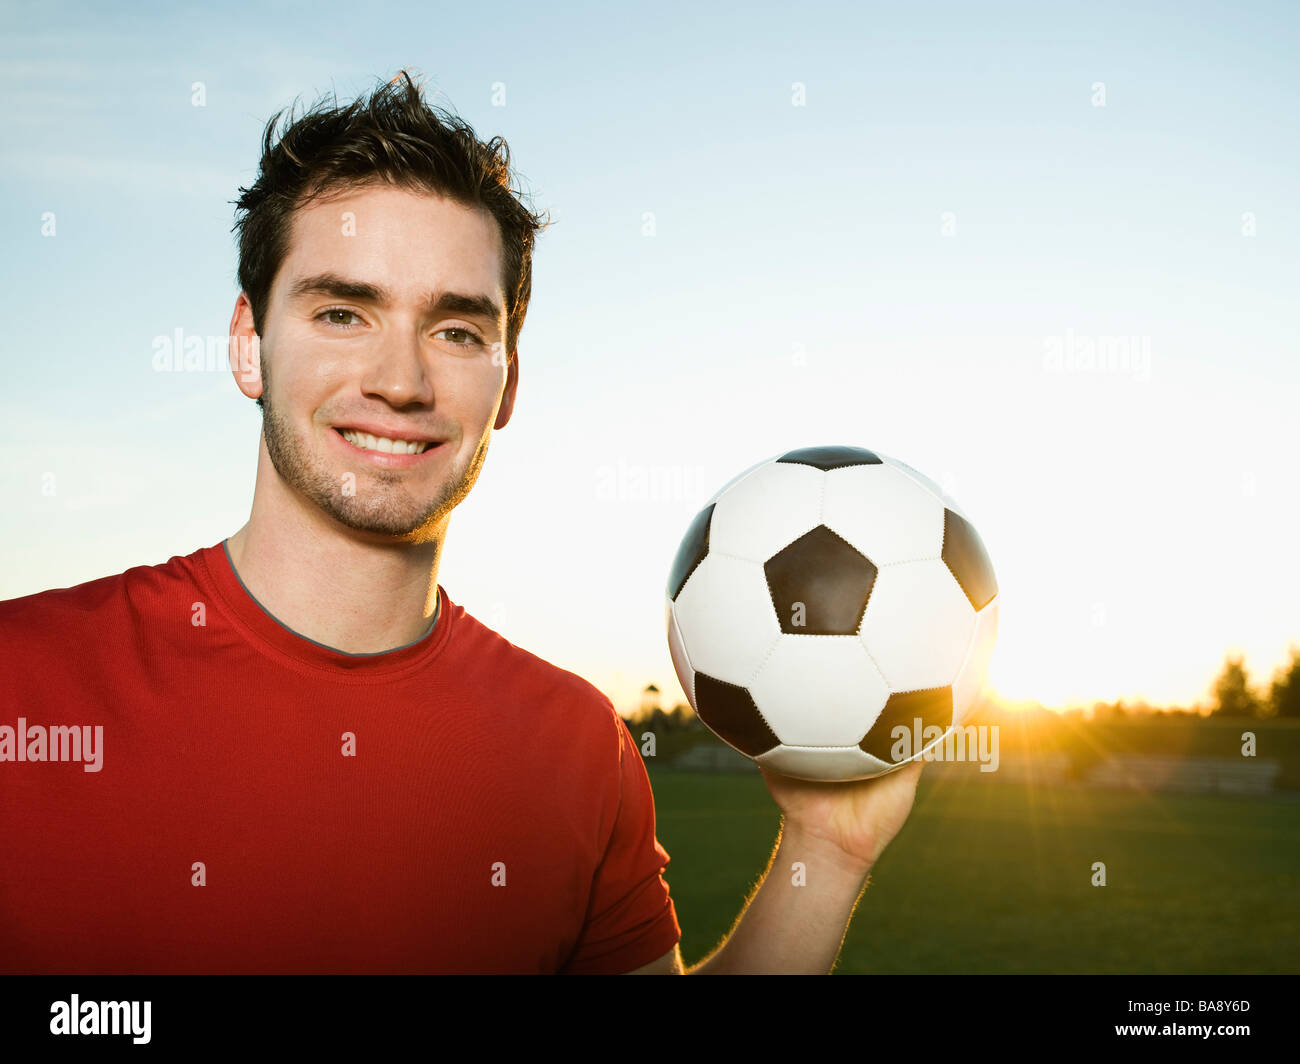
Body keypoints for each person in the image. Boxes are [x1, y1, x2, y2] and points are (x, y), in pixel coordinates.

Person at [0, 72, 923, 975]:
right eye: (341, 312)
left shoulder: (575, 746)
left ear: (508, 381)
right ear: (248, 345)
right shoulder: (24, 683)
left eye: (456, 330)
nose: (399, 380)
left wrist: (824, 853)